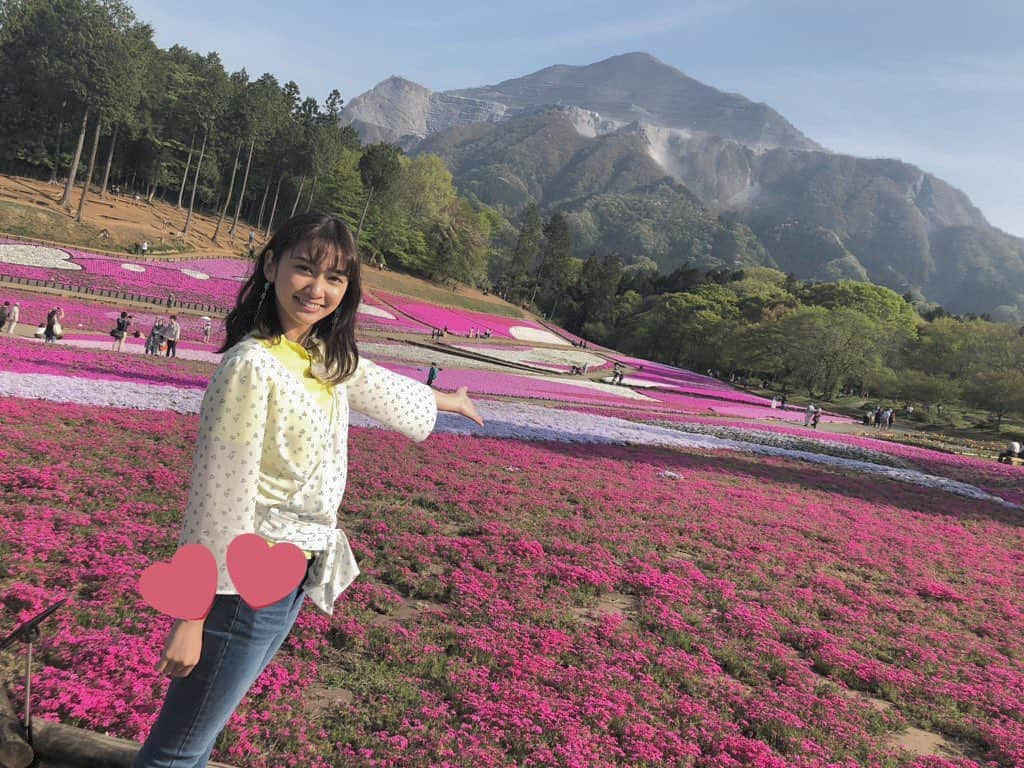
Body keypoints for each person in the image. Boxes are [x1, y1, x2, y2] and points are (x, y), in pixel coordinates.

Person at [131, 214, 483, 768]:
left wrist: (450, 401)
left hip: (294, 574)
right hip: (244, 584)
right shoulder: (252, 366)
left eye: (336, 278)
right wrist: (190, 616)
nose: (318, 289)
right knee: (179, 750)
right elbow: (219, 495)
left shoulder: (321, 357)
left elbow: (378, 384)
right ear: (271, 266)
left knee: (201, 737)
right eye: (304, 269)